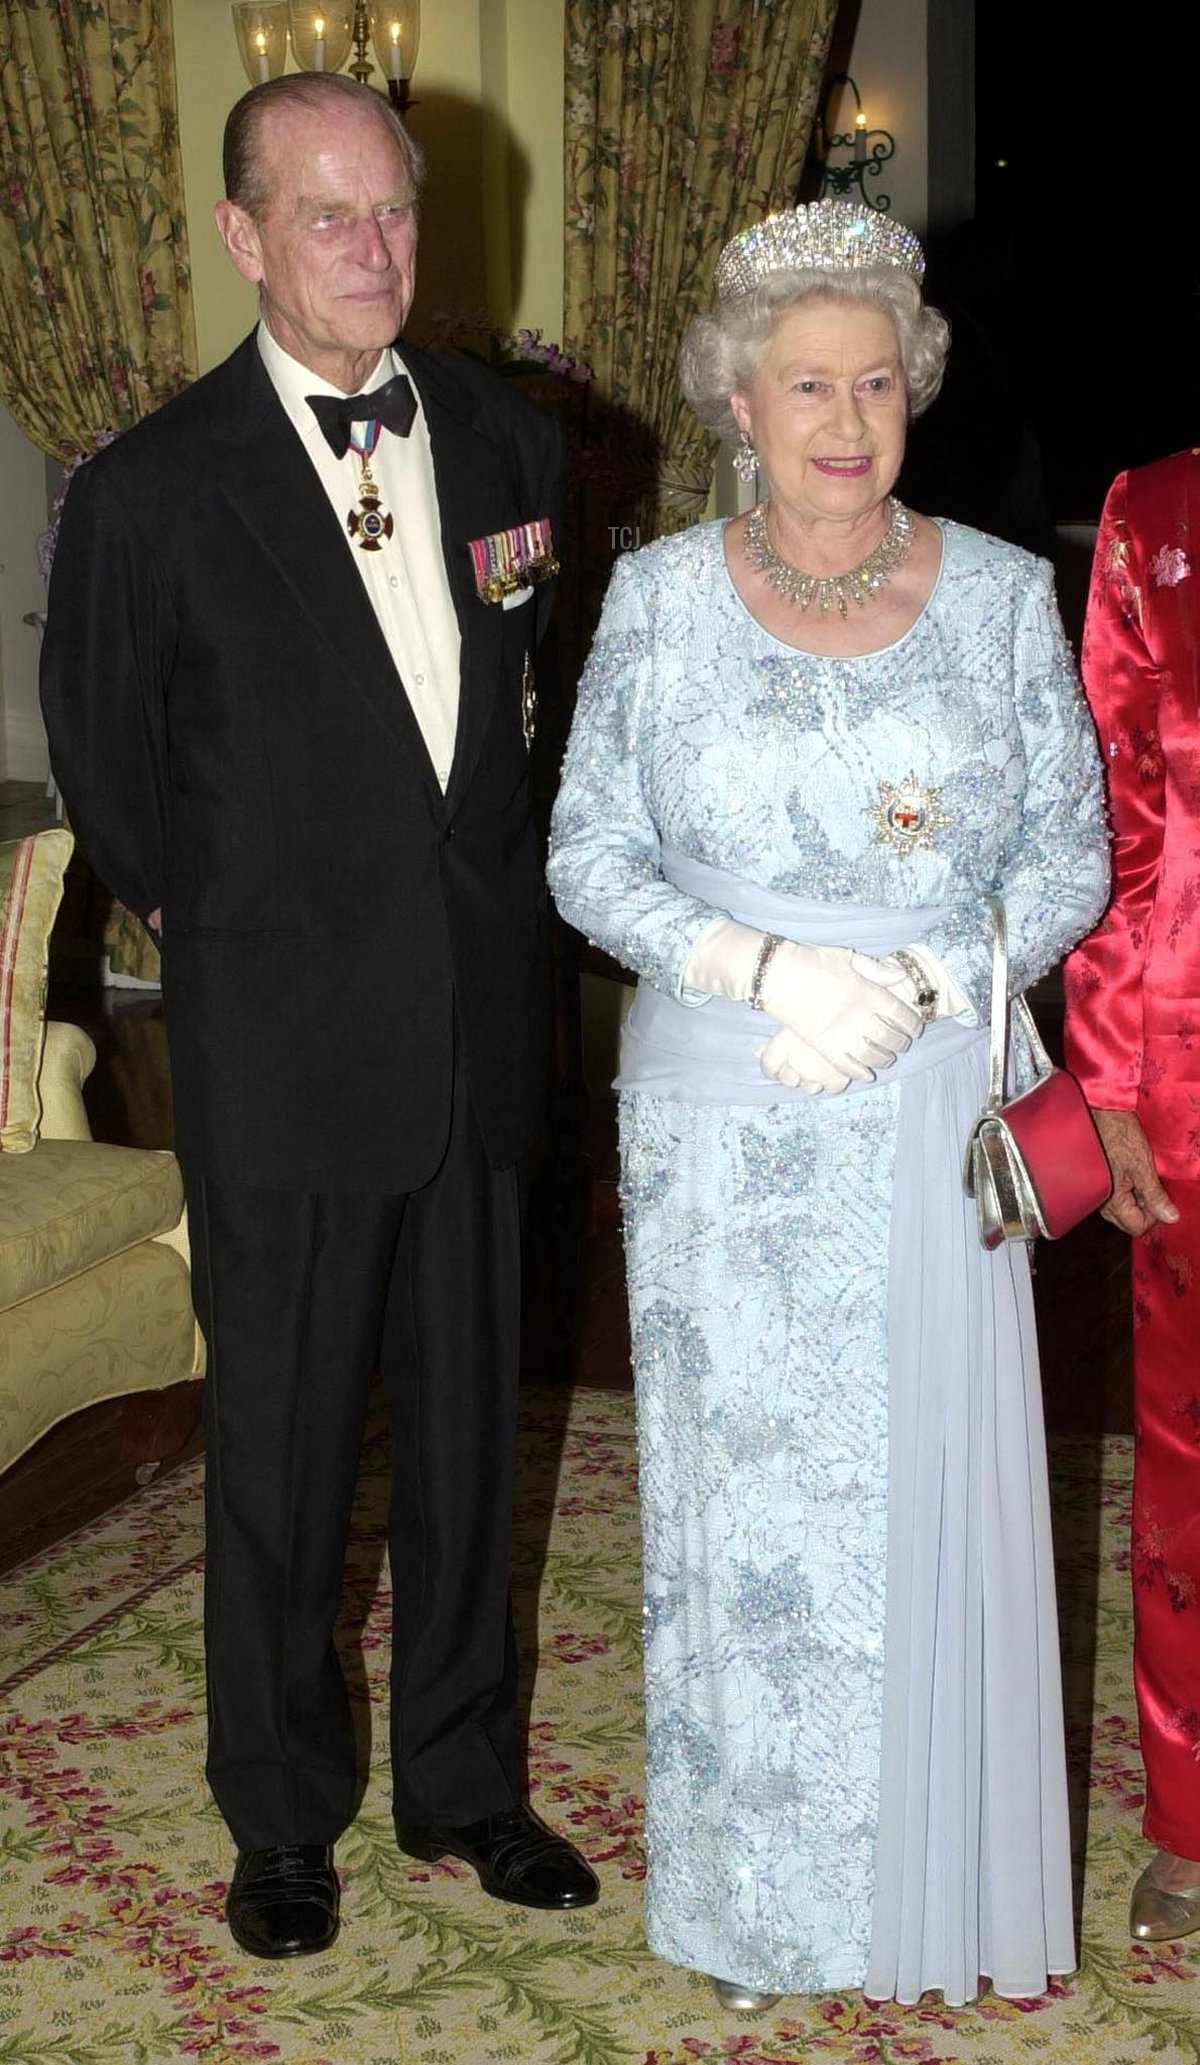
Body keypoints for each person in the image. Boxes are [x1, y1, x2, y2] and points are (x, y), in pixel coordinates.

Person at [40, 70, 597, 1960]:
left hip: (477, 1030)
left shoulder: (516, 445)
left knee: (468, 1438)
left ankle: (464, 1777)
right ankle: (279, 1812)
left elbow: (526, 721)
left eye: (396, 215)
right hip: (284, 1044)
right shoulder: (144, 492)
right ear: (243, 236)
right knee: (277, 1456)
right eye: (330, 215)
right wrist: (253, 930)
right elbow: (113, 775)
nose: (373, 251)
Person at [547, 200, 1109, 2011]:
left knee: (915, 1507)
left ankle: (921, 1897)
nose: (848, 421)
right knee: (741, 1521)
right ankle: (757, 1908)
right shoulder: (653, 599)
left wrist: (944, 979)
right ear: (739, 397)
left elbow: (1076, 855)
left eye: (878, 380)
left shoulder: (1010, 596)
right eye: (809, 384)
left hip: (924, 1113)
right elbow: (584, 855)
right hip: (723, 1115)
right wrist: (758, 967)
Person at [1063, 451, 1200, 1944]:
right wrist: (1104, 1074)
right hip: (1188, 1063)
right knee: (1187, 1468)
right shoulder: (1154, 518)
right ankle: (1194, 1816)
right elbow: (1124, 815)